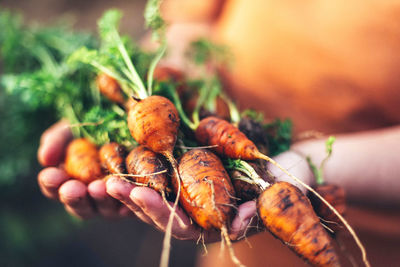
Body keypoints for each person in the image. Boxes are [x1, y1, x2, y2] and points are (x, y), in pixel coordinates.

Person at [38, 0, 400, 266]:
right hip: (243, 238)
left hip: (365, 228)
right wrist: (176, 64)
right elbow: (191, 22)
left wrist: (311, 161)